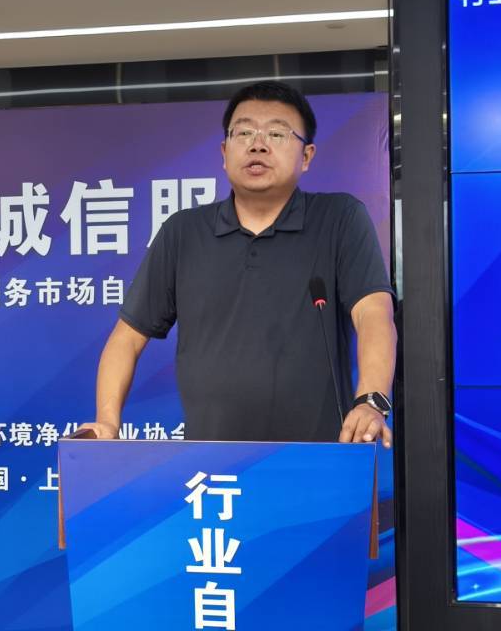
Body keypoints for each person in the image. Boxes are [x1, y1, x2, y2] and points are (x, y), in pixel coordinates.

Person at [79, 81, 397, 447]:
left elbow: (373, 312)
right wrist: (107, 421)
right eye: (243, 132)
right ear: (224, 151)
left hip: (317, 459)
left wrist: (371, 400)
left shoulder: (339, 218)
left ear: (306, 156)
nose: (257, 144)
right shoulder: (183, 232)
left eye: (276, 133)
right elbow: (127, 338)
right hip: (210, 463)